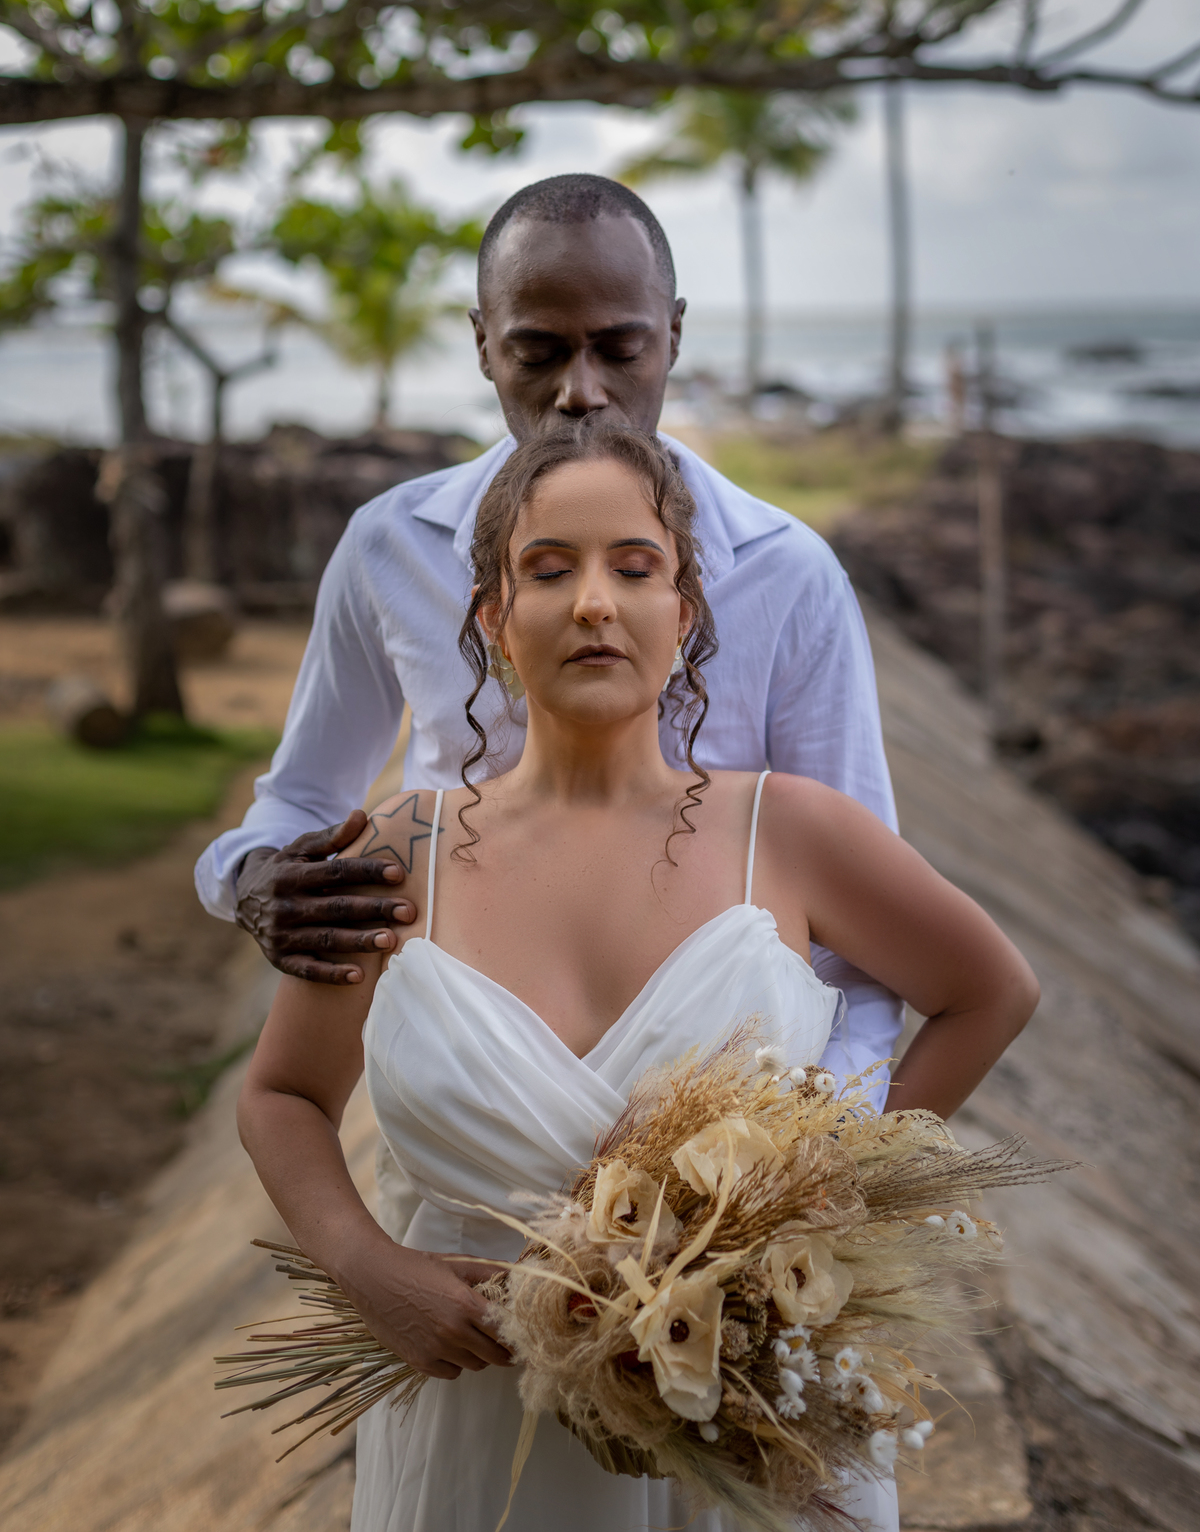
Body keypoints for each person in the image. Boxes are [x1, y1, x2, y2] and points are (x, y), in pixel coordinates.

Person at [238, 420, 1040, 1532]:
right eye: (548, 569)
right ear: (493, 621)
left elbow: (990, 988)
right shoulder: (396, 853)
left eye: (635, 565)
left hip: (743, 1423)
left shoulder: (790, 831)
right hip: (475, 1425)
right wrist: (365, 1264)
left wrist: (821, 1204)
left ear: (687, 614)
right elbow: (282, 1093)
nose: (595, 601)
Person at [197, 173, 903, 1240]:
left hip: (717, 1156)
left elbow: (873, 938)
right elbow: (301, 797)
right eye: (538, 350)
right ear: (483, 343)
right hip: (468, 1120)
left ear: (672, 336)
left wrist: (793, 1178)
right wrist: (247, 875)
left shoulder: (789, 573)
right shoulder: (390, 547)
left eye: (619, 347)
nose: (581, 390)